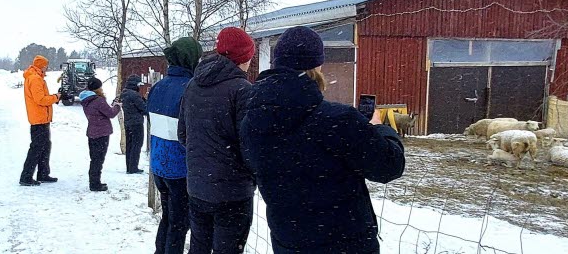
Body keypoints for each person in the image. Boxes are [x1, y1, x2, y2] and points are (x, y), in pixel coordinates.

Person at [239, 26, 406, 253]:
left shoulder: (251, 122)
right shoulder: (338, 120)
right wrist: (380, 130)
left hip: (288, 242)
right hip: (345, 244)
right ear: (317, 66)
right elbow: (389, 166)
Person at [178, 27, 256, 254]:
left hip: (197, 187)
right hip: (232, 193)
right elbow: (249, 147)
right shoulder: (243, 90)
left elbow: (183, 134)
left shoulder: (194, 84)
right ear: (245, 57)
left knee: (199, 247)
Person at [148, 37, 203, 254]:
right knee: (179, 225)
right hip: (180, 168)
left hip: (159, 165)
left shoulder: (158, 87)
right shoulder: (190, 88)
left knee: (168, 218)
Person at [19, 55, 61, 186]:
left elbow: (41, 97)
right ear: (41, 66)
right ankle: (26, 177)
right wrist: (56, 97)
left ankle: (43, 173)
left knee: (44, 146)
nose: (47, 68)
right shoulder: (35, 79)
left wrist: (54, 97)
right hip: (39, 119)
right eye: (46, 66)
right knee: (37, 148)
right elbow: (40, 100)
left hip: (41, 118)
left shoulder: (36, 77)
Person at [79, 77, 121, 192]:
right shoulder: (99, 100)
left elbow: (101, 111)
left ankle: (94, 181)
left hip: (92, 132)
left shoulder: (86, 100)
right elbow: (111, 113)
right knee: (98, 159)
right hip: (101, 133)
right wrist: (117, 106)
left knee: (94, 159)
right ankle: (95, 184)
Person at [120, 74, 146, 174]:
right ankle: (133, 167)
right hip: (136, 123)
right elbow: (144, 108)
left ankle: (129, 167)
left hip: (128, 122)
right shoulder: (134, 95)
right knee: (137, 144)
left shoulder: (125, 93)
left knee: (130, 145)